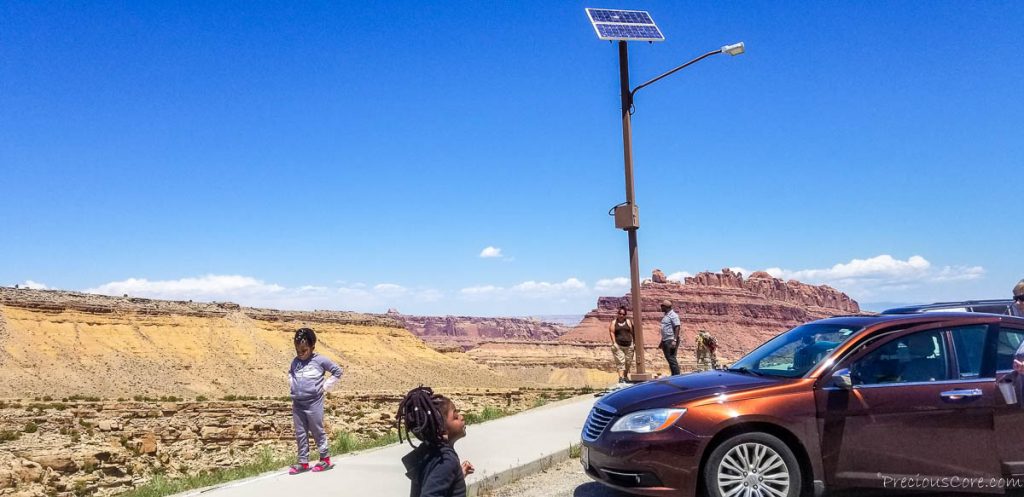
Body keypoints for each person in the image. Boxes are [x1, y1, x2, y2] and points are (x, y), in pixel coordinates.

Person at [398, 386, 475, 497]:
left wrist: (458, 475)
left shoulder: (430, 453)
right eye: (455, 416)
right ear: (441, 427)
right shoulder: (446, 461)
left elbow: (434, 482)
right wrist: (451, 470)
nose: (461, 417)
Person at [288, 327, 344, 474]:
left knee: (317, 430)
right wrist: (293, 386)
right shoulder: (295, 362)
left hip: (314, 402)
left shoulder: (320, 360)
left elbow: (337, 371)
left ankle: (325, 459)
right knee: (300, 433)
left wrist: (325, 387)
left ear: (312, 347)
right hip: (298, 403)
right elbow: (291, 374)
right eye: (297, 350)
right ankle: (303, 462)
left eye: (304, 350)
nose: (300, 354)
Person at [608, 306, 635, 382]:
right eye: (620, 314)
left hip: (629, 345)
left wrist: (634, 343)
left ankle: (625, 376)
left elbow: (632, 332)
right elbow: (611, 332)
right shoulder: (614, 322)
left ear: (625, 315)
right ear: (618, 314)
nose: (621, 315)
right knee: (620, 362)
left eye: (623, 314)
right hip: (618, 345)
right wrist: (614, 343)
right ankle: (621, 378)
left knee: (628, 362)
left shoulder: (628, 322)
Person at [659, 299, 681, 376]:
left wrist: (674, 340)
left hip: (671, 340)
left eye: (662, 306)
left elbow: (677, 327)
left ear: (665, 307)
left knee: (672, 358)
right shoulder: (666, 315)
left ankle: (677, 376)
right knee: (669, 359)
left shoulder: (673, 315)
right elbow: (665, 329)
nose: (661, 307)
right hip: (666, 340)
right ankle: (673, 375)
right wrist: (662, 341)